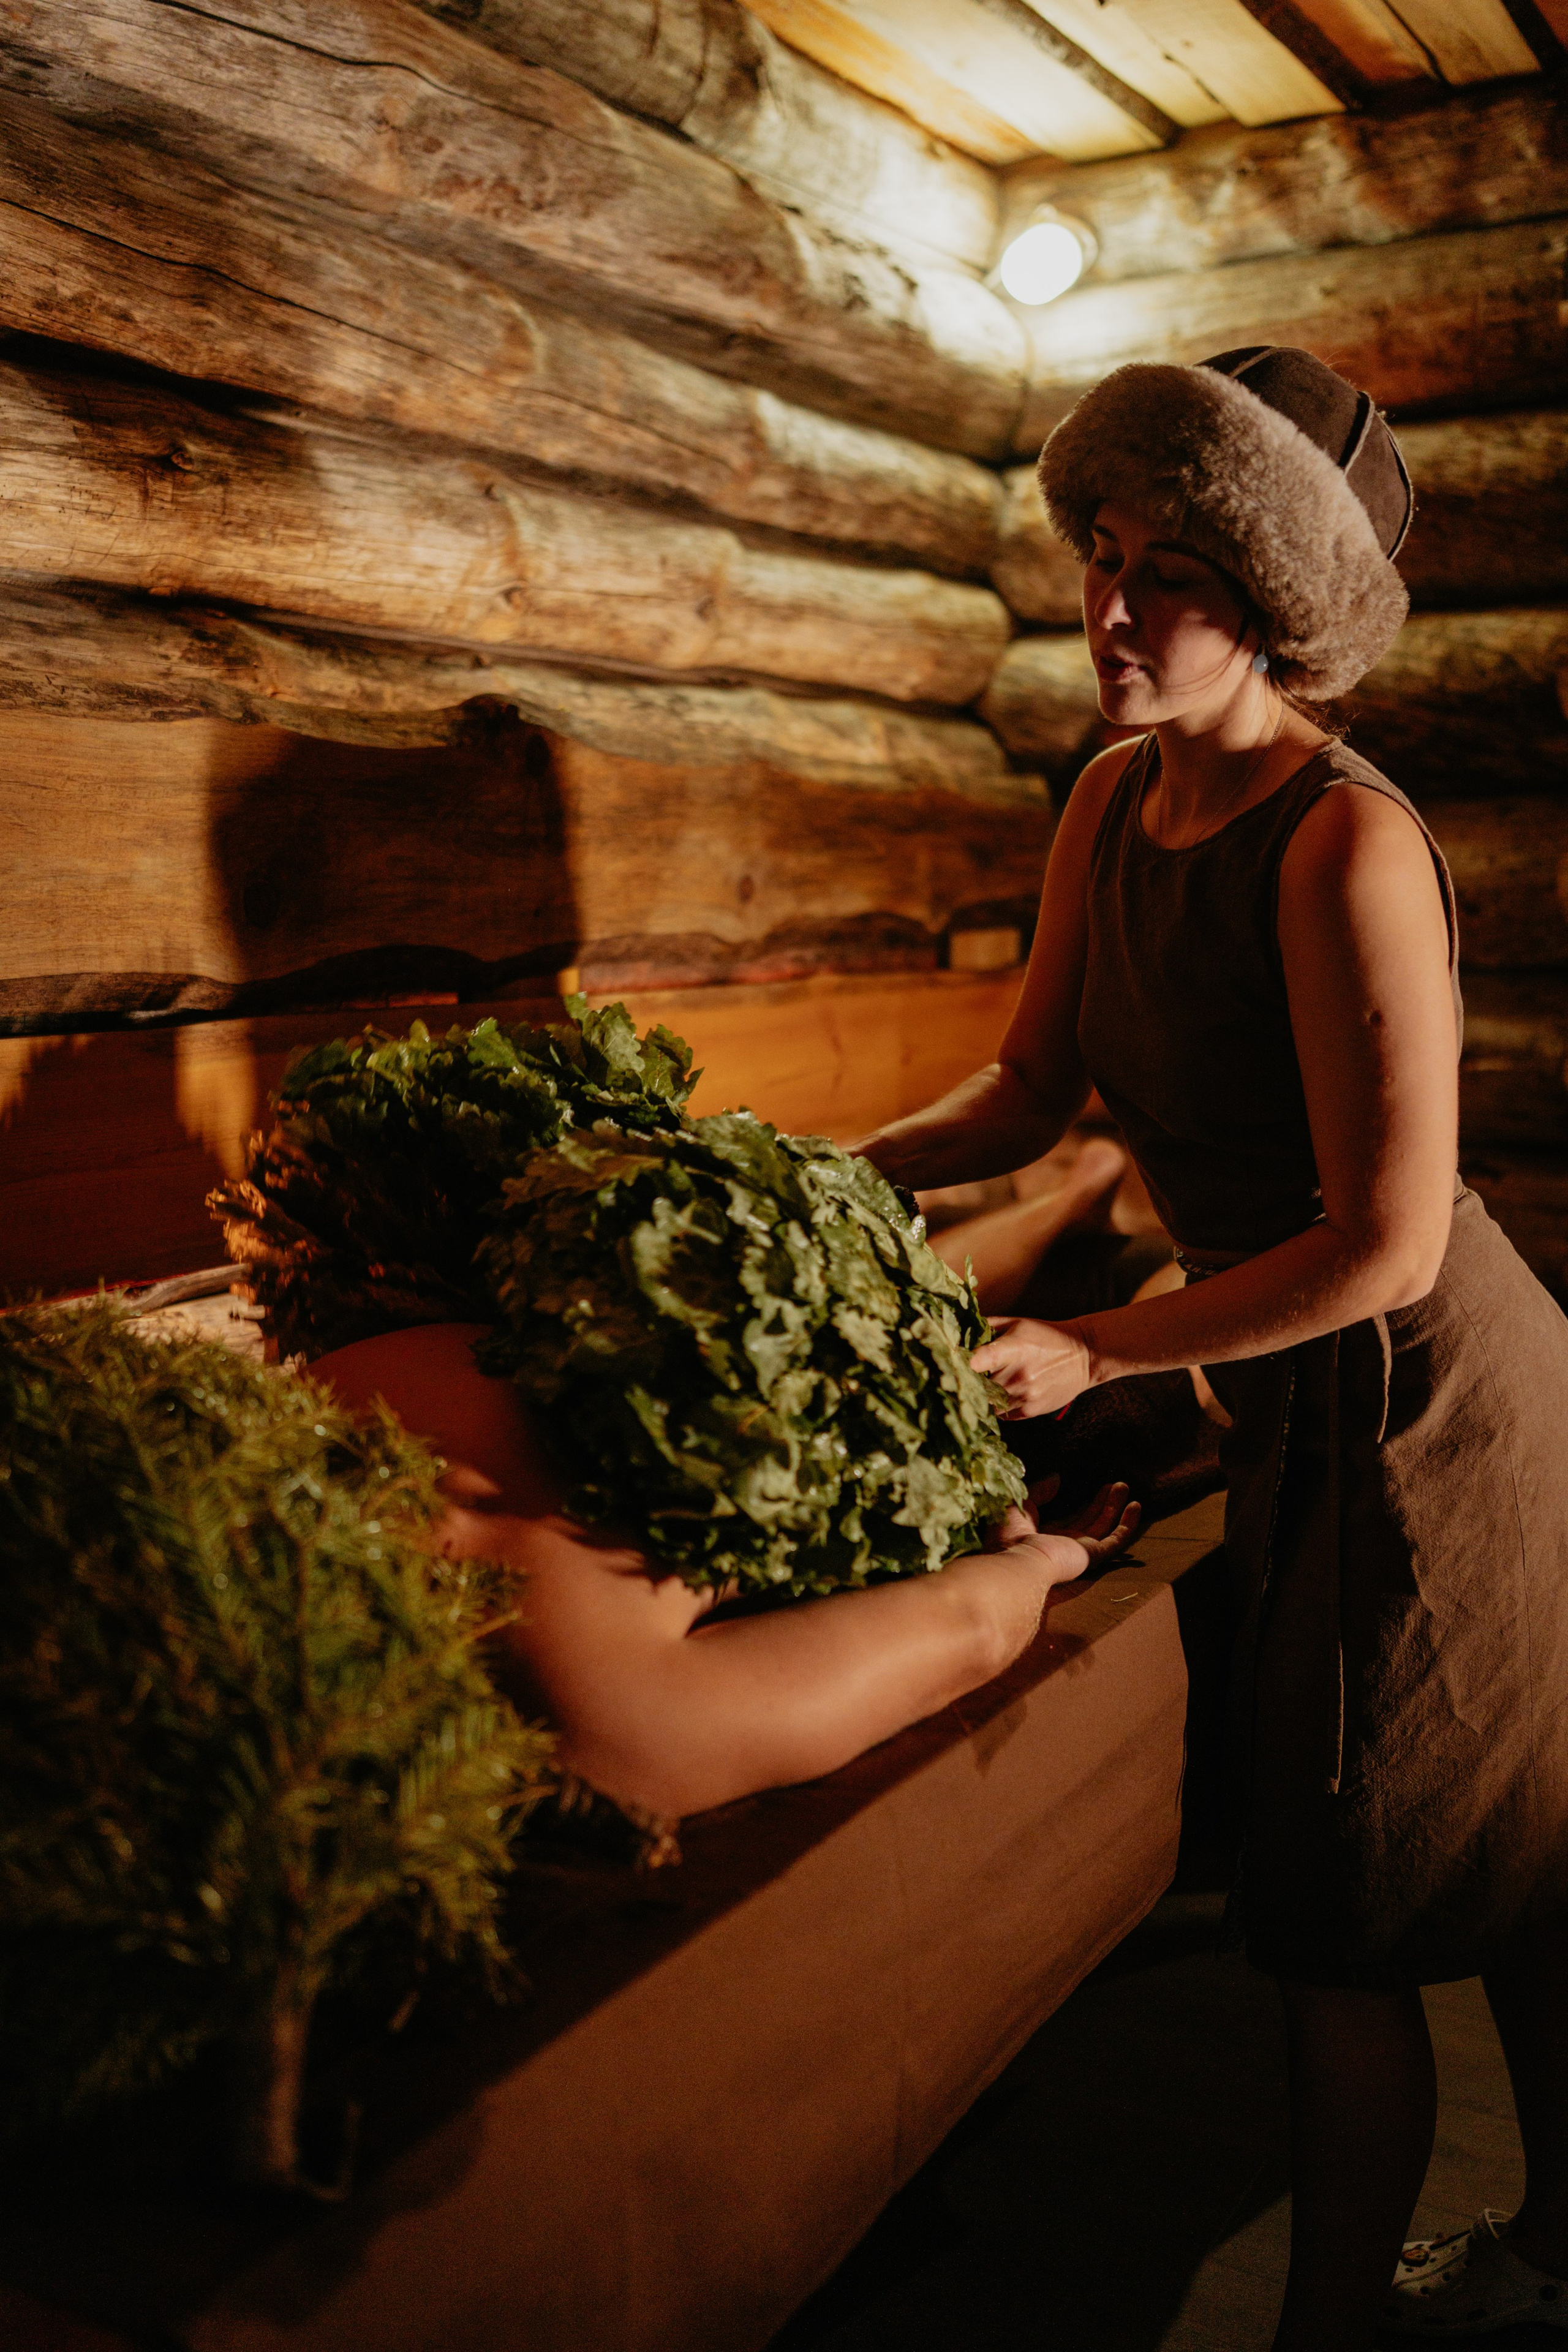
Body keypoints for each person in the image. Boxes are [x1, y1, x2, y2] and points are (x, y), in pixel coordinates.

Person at [851, 346, 1568, 2349]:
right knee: (1487, 1869)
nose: (1106, 606)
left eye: (1165, 568)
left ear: (1280, 598)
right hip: (1290, 1391)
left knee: (1363, 1927)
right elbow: (1018, 1096)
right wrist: (802, 1169)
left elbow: (1387, 1238)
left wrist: (1095, 1347)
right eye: (1099, 548)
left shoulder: (1342, 845)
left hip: (1436, 1409)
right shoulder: (1111, 798)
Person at [312, 1320, 1140, 1825]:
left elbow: (970, 1622)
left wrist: (1037, 1558)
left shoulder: (611, 1713)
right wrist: (1045, 1559)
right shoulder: (617, 1719)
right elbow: (970, 1625)